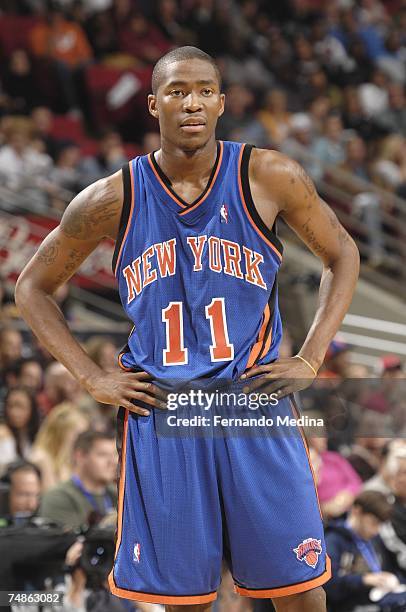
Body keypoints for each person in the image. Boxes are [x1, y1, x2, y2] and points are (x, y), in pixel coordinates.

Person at [15, 46, 360, 612]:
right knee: (186, 600)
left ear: (223, 102)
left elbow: (341, 253)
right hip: (165, 413)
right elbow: (31, 288)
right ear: (153, 105)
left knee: (297, 590)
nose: (191, 102)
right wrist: (91, 378)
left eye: (204, 90)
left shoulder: (268, 174)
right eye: (177, 91)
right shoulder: (112, 197)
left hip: (252, 404)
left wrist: (312, 356)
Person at [325, 491, 406, 612]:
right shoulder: (334, 540)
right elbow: (330, 585)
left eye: (380, 525)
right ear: (357, 511)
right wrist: (364, 579)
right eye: (373, 523)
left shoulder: (374, 539)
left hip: (382, 598)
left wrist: (392, 579)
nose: (376, 530)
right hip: (352, 605)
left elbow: (390, 567)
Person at [39, 430, 117, 529]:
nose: (113, 461)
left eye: (115, 454)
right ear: (80, 456)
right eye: (103, 455)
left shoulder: (118, 495)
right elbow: (69, 541)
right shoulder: (58, 497)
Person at [29, 402, 90, 491]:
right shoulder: (41, 457)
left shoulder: (71, 458)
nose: (83, 440)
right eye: (78, 434)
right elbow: (51, 497)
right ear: (61, 432)